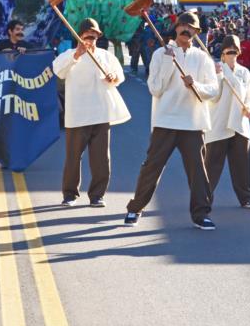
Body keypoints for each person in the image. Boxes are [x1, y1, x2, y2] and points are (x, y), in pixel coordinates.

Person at [124, 12, 219, 230]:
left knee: (198, 171)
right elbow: (155, 88)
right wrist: (169, 62)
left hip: (193, 123)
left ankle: (201, 214)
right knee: (152, 167)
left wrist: (195, 85)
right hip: (165, 120)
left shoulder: (202, 57)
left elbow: (213, 90)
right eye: (183, 25)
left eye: (192, 27)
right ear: (176, 28)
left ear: (197, 32)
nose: (187, 30)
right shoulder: (160, 54)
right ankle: (135, 208)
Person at [52, 18, 130, 207]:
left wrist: (115, 77)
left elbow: (120, 76)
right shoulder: (69, 54)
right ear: (79, 36)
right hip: (77, 115)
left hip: (101, 114)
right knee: (73, 158)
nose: (91, 37)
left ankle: (97, 195)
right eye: (87, 34)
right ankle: (70, 195)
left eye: (94, 35)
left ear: (98, 36)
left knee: (101, 159)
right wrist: (77, 54)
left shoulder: (106, 56)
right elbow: (58, 71)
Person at [205, 35, 250, 209]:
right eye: (229, 51)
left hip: (240, 124)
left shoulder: (244, 72)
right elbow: (213, 97)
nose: (232, 54)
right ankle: (204, 198)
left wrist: (249, 107)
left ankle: (247, 198)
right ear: (223, 53)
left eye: (235, 51)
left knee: (243, 165)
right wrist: (220, 76)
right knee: (212, 165)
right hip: (219, 123)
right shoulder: (215, 70)